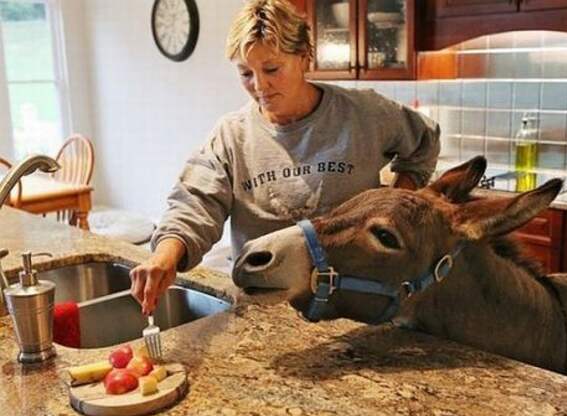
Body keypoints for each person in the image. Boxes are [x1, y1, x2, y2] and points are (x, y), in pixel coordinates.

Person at [130, 0, 441, 314]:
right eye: (245, 73)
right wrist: (163, 257)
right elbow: (195, 203)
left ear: (304, 57)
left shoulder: (363, 113)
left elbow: (425, 140)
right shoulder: (232, 135)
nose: (259, 86)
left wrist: (398, 201)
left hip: (352, 303)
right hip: (264, 305)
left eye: (271, 69)